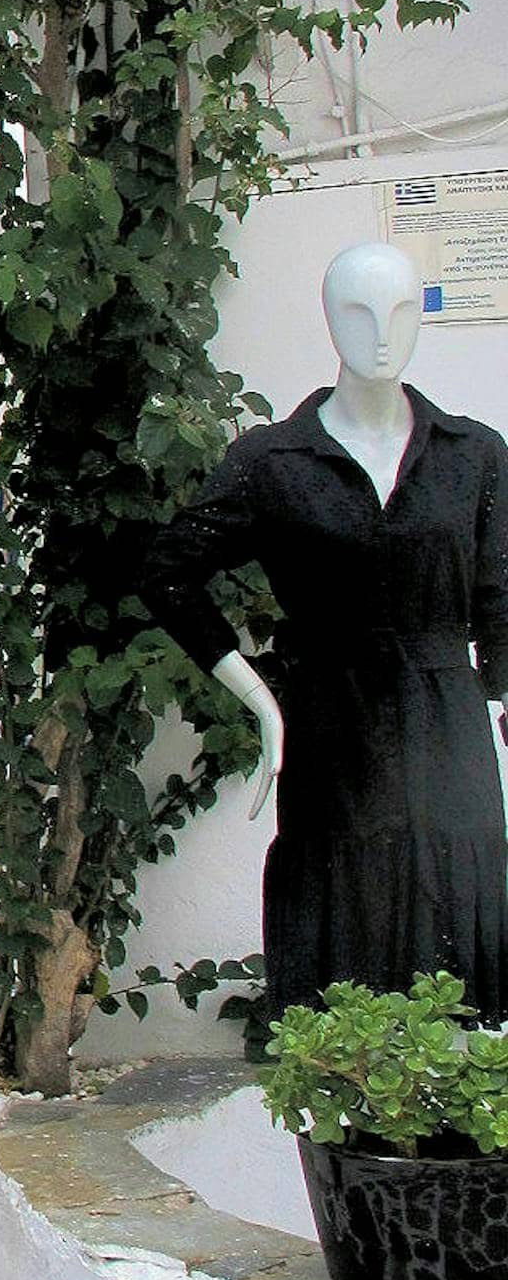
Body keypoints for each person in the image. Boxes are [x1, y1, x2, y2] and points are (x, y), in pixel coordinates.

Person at [145, 242, 508, 1018]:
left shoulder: (474, 455)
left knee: (457, 912)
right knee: (348, 917)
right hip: (332, 722)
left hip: (449, 721)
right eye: (358, 311)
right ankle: (348, 1126)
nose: (382, 333)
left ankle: (457, 1130)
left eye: (403, 310)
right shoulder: (273, 461)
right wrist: (260, 699)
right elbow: (168, 574)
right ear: (328, 319)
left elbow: (500, 594)